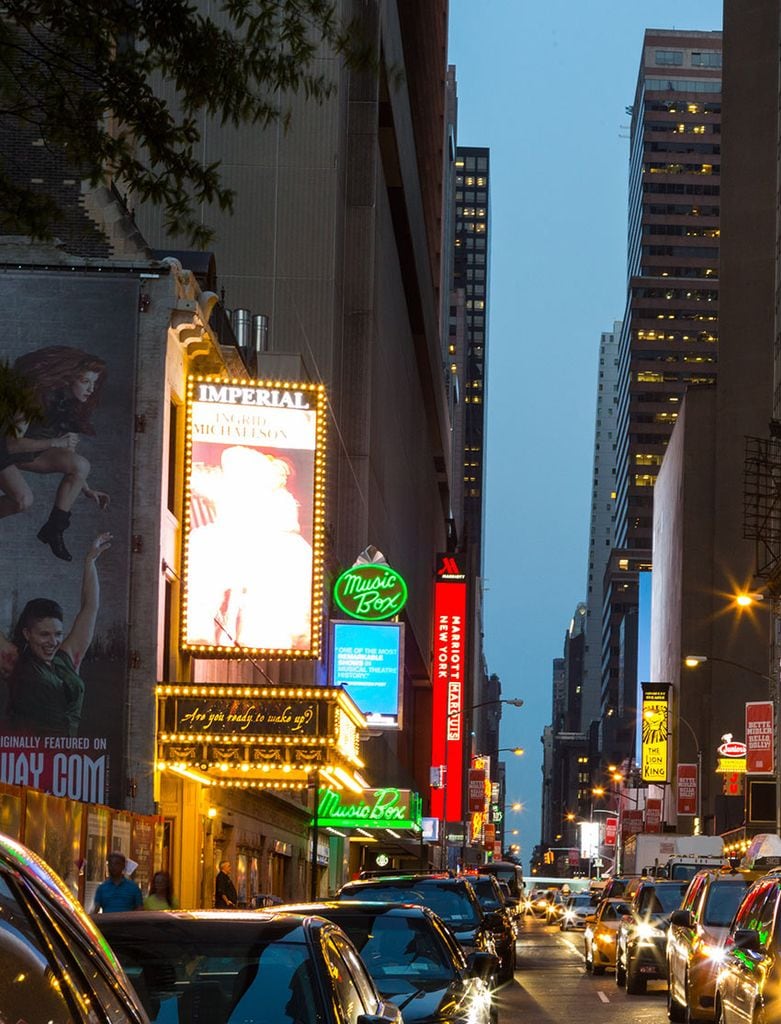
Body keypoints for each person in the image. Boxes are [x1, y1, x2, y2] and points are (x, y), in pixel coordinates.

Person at [6, 346, 110, 561]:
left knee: (81, 465)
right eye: (85, 382)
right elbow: (11, 445)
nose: (91, 389)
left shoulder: (71, 408)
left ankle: (55, 529)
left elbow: (68, 456)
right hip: (4, 450)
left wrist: (87, 490)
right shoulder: (34, 396)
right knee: (23, 500)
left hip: (27, 456)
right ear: (69, 379)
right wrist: (53, 441)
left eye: (94, 383)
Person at [6, 531, 111, 735]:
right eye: (44, 634)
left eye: (58, 634)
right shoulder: (14, 661)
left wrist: (90, 562)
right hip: (28, 758)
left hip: (66, 760)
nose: (52, 642)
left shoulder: (65, 661)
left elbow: (90, 607)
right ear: (27, 633)